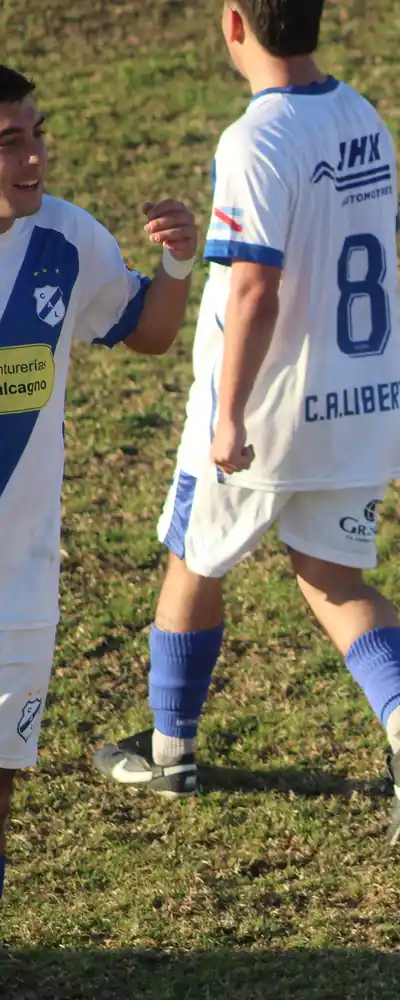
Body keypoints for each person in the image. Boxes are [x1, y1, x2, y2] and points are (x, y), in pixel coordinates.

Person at [92, 0, 400, 847]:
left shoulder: (253, 140)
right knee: (334, 578)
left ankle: (171, 749)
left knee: (193, 560)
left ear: (233, 23)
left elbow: (256, 286)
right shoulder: (362, 116)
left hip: (264, 407)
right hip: (358, 399)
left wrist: (226, 413)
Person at [0, 64, 198, 901]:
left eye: (39, 135)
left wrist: (180, 263)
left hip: (19, 578)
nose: (36, 158)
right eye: (12, 142)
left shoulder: (67, 241)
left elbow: (146, 331)